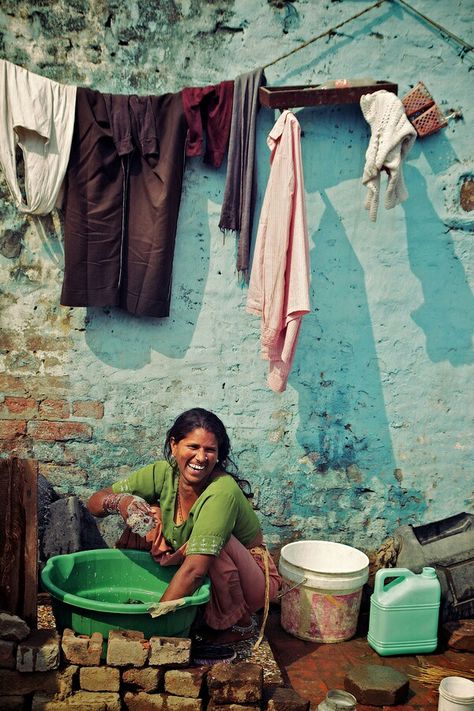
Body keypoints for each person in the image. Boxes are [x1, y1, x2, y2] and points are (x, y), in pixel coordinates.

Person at [87, 408, 281, 643]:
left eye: (210, 450)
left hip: (250, 580)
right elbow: (94, 504)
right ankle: (183, 602)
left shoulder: (221, 491)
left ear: (218, 455)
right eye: (193, 447)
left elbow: (195, 569)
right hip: (196, 561)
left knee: (214, 543)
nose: (201, 458)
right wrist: (120, 501)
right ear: (174, 445)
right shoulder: (162, 473)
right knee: (149, 515)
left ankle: (240, 622)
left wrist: (151, 624)